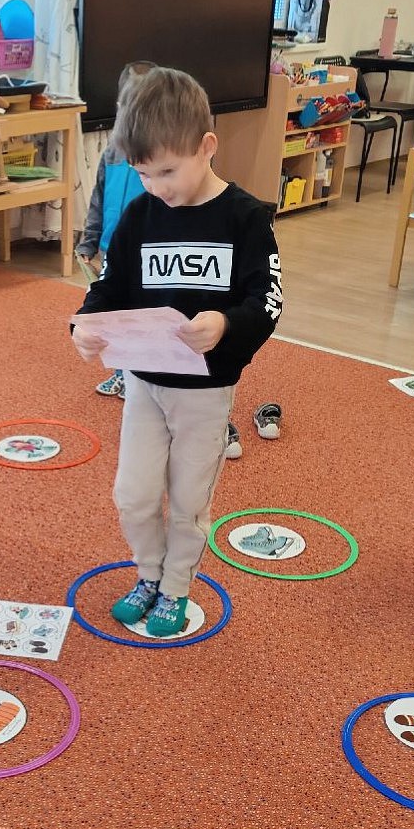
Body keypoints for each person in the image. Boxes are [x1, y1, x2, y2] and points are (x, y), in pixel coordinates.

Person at [72, 66, 283, 636]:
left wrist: (225, 323)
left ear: (206, 146)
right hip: (144, 384)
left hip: (206, 392)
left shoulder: (245, 217)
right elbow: (109, 286)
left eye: (167, 171)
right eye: (143, 173)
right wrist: (84, 325)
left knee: (189, 502)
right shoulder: (140, 214)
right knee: (133, 495)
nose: (156, 186)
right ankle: (148, 574)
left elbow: (267, 300)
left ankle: (176, 585)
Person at [76, 61, 155, 403]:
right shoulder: (111, 153)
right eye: (127, 106)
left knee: (139, 314)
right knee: (114, 313)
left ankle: (141, 373)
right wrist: (89, 241)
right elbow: (98, 199)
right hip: (111, 249)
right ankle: (122, 372)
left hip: (145, 252)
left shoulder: (156, 156)